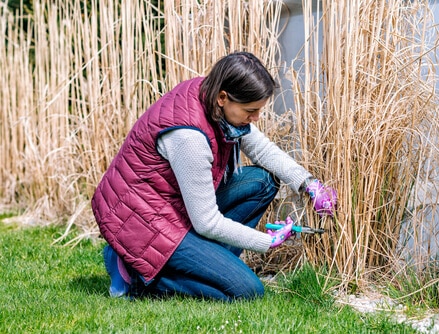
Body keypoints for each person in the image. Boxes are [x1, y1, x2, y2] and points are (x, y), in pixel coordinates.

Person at [91, 51, 337, 301]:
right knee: (246, 291)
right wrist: (266, 242)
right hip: (143, 222)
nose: (256, 118)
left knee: (263, 183)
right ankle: (134, 273)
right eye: (250, 110)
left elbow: (261, 149)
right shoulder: (190, 139)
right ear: (223, 98)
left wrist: (309, 184)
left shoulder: (210, 97)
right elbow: (206, 222)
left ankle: (209, 266)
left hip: (171, 207)